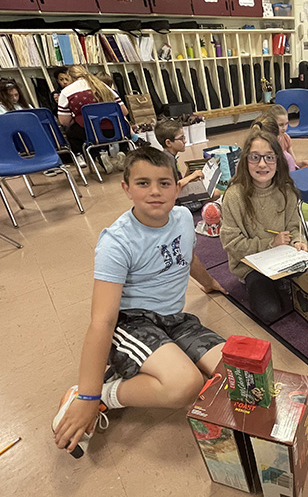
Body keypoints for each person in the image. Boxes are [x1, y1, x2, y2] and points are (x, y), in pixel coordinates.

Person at [52, 147, 227, 458]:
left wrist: (209, 283)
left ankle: (133, 374)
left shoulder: (184, 217)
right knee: (184, 385)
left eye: (164, 183)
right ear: (126, 188)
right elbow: (101, 320)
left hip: (174, 319)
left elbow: (188, 257)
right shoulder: (116, 242)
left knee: (234, 371)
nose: (155, 192)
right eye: (143, 183)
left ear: (178, 186)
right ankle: (104, 393)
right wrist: (90, 397)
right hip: (132, 322)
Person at [220, 128, 308, 324]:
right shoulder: (234, 196)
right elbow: (231, 242)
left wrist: (298, 242)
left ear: (278, 161)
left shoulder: (287, 191)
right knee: (269, 312)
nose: (262, 164)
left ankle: (281, 284)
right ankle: (271, 286)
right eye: (255, 157)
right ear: (245, 161)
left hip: (283, 260)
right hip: (251, 266)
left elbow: (295, 228)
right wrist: (270, 243)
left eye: (269, 157)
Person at [57, 65, 128, 154]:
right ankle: (123, 152)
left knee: (71, 132)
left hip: (89, 132)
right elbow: (124, 112)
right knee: (122, 124)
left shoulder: (66, 92)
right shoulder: (103, 86)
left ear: (70, 77)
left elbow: (64, 121)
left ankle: (91, 156)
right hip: (115, 130)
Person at [155, 119, 221, 209]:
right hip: (177, 204)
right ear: (168, 143)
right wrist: (193, 176)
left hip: (176, 197)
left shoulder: (167, 157)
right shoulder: (167, 161)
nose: (185, 141)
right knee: (216, 193)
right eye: (181, 138)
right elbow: (173, 186)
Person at [264, 104, 308, 171]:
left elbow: (294, 162)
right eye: (281, 125)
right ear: (272, 124)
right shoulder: (266, 142)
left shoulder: (286, 138)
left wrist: (304, 162)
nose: (284, 128)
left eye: (286, 124)